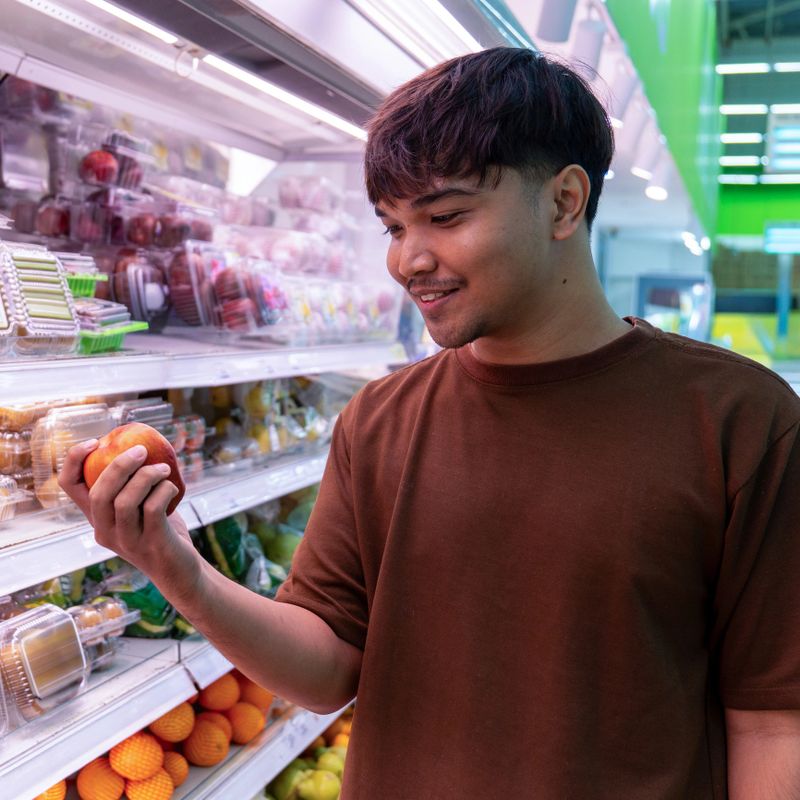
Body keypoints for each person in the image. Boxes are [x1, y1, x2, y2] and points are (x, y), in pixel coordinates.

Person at [59, 48, 800, 799]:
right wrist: (176, 567)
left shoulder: (739, 422)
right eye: (392, 227)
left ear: (565, 202)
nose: (409, 260)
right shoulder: (380, 419)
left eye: (444, 217)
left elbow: (774, 722)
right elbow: (326, 668)